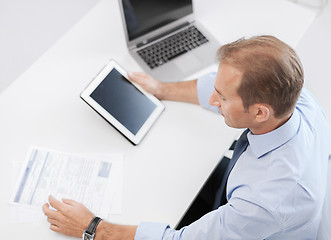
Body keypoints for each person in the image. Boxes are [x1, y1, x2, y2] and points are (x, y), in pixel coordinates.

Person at [43, 35, 331, 239]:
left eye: (222, 97)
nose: (211, 99)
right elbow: (215, 85)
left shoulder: (265, 200)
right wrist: (160, 88)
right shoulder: (293, 96)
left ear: (259, 113)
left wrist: (93, 227)